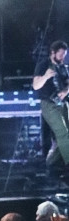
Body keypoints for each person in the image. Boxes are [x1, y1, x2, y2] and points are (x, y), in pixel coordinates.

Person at [32, 39, 69, 170]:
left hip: (63, 104)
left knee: (64, 137)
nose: (62, 58)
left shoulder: (63, 67)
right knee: (63, 133)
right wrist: (46, 76)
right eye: (60, 54)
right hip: (49, 104)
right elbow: (36, 86)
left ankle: (51, 164)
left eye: (64, 55)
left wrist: (66, 91)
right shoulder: (43, 65)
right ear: (53, 52)